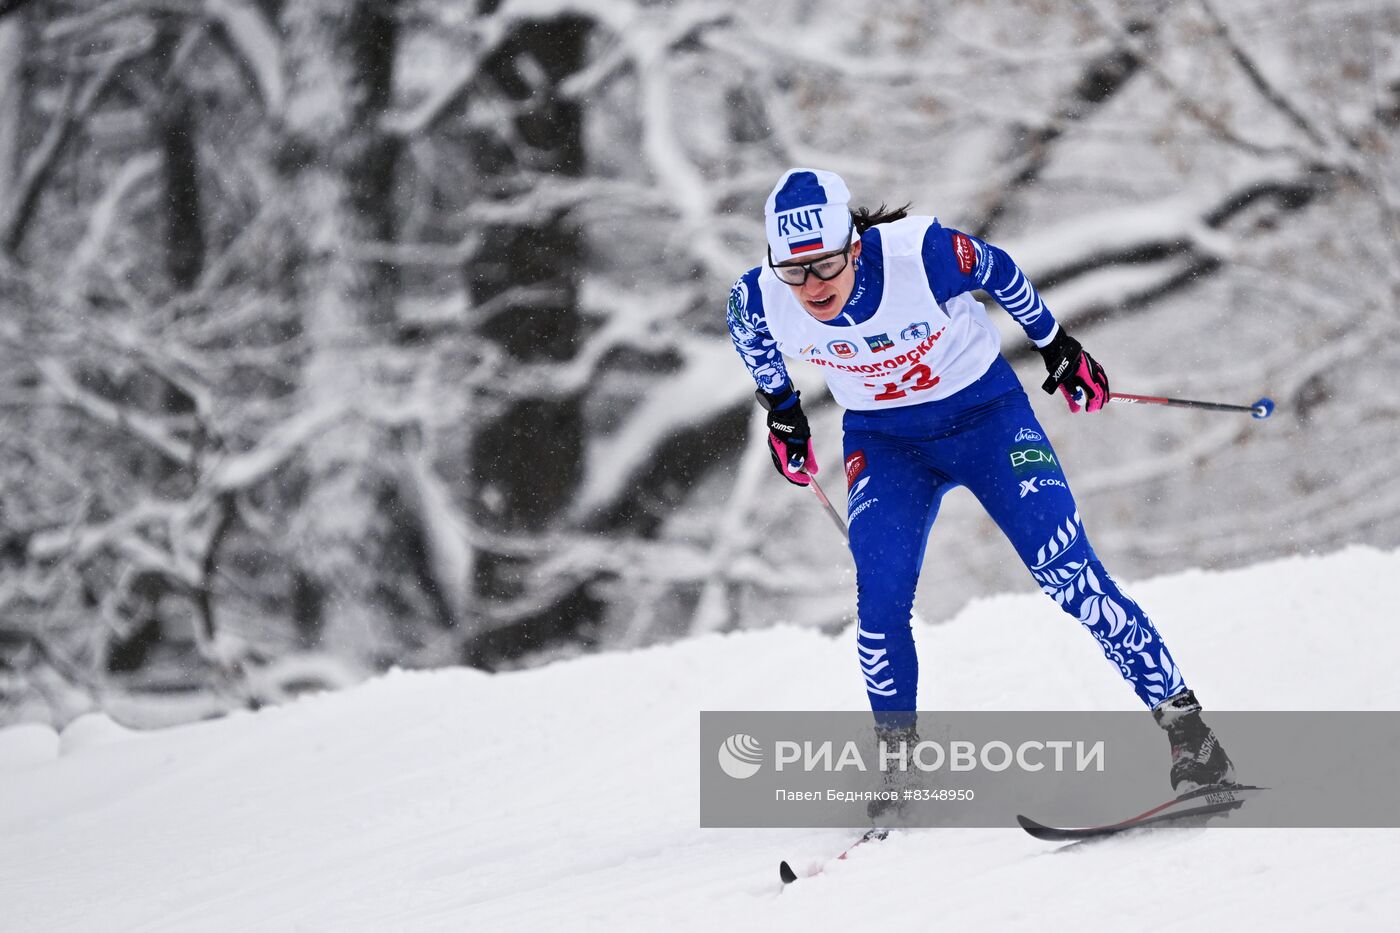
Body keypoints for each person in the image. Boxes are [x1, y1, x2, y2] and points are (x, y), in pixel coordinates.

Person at [726, 168, 1234, 808]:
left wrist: (1058, 347)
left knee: (1068, 575)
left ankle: (1190, 736)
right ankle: (898, 769)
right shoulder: (758, 298)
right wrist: (783, 414)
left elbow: (1002, 272)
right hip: (887, 446)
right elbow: (756, 345)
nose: (812, 288)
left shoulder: (925, 255)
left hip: (986, 421)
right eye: (793, 272)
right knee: (879, 603)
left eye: (825, 266)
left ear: (854, 245)